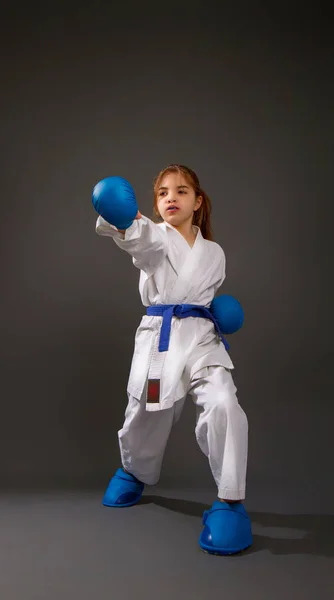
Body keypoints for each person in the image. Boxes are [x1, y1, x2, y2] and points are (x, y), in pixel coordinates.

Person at [93, 164, 252, 555]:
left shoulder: (213, 251)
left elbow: (202, 289)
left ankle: (231, 501)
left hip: (202, 338)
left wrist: (218, 310)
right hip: (162, 339)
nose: (170, 198)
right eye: (163, 193)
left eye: (181, 191)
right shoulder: (156, 237)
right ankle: (134, 470)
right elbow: (140, 240)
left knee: (224, 403)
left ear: (198, 202)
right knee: (148, 411)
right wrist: (126, 219)